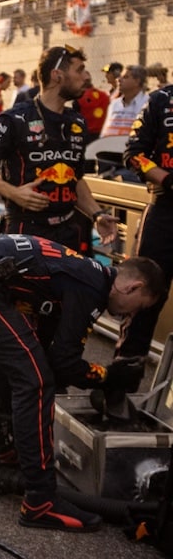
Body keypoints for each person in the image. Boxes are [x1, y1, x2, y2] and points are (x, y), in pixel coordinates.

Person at [0, 234, 163, 532]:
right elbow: (65, 364)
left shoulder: (86, 274)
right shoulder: (91, 286)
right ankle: (41, 501)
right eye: (138, 307)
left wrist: (100, 376)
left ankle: (3, 451)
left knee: (15, 364)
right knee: (35, 381)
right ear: (134, 287)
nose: (130, 315)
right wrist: (108, 376)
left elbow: (53, 354)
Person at [0, 45, 117, 254]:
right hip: (26, 231)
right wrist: (13, 193)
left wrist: (96, 214)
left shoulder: (77, 122)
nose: (86, 76)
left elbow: (76, 178)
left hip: (69, 232)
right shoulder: (14, 119)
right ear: (57, 75)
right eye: (79, 69)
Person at [119, 79, 173, 361]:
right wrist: (166, 178)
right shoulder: (161, 100)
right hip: (165, 212)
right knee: (143, 299)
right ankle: (121, 385)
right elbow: (134, 154)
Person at [100, 65, 149, 138]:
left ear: (137, 81)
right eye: (120, 77)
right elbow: (104, 133)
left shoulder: (148, 103)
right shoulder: (114, 104)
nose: (118, 80)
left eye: (125, 77)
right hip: (109, 147)